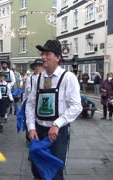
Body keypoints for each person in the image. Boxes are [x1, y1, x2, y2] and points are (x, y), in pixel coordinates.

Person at [26, 40, 82, 180]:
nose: (43, 57)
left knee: (55, 171)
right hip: (39, 131)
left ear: (58, 57)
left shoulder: (68, 78)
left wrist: (57, 124)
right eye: (42, 54)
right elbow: (31, 104)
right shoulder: (38, 78)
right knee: (37, 168)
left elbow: (76, 106)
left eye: (47, 54)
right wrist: (31, 128)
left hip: (58, 133)